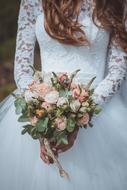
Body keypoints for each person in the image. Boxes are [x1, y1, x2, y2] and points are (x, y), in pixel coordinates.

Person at [0, 0, 127, 189]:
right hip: (41, 108)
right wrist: (42, 116)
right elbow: (22, 69)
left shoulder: (114, 3)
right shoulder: (32, 2)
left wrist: (80, 115)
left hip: (100, 113)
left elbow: (117, 71)